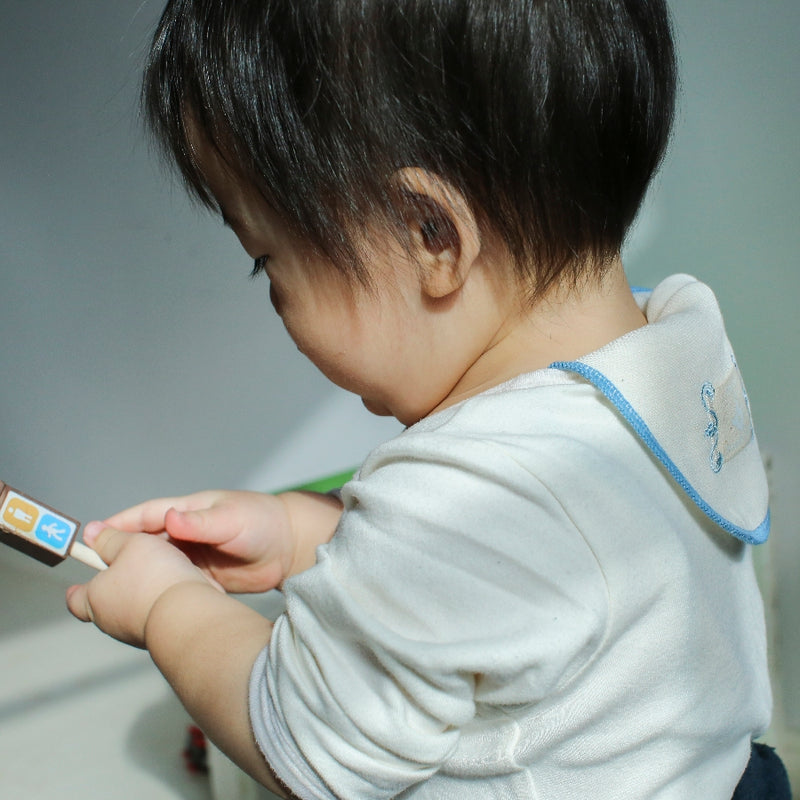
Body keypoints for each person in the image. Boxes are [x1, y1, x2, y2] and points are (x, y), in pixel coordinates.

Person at [66, 0, 789, 797]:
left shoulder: (472, 496)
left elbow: (304, 745)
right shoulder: (675, 352)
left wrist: (169, 608)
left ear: (429, 235)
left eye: (268, 264)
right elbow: (519, 580)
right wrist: (307, 533)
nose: (274, 300)